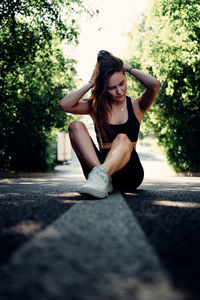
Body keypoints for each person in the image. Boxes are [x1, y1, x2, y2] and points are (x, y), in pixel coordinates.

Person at [59, 50, 159, 198]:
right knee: (75, 126)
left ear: (125, 78)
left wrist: (129, 68)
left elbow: (154, 85)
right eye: (112, 88)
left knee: (122, 138)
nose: (119, 91)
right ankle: (101, 176)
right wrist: (90, 82)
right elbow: (65, 105)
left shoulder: (137, 105)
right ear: (104, 88)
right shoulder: (96, 106)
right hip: (97, 171)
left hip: (130, 172)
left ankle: (101, 176)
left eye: (122, 84)